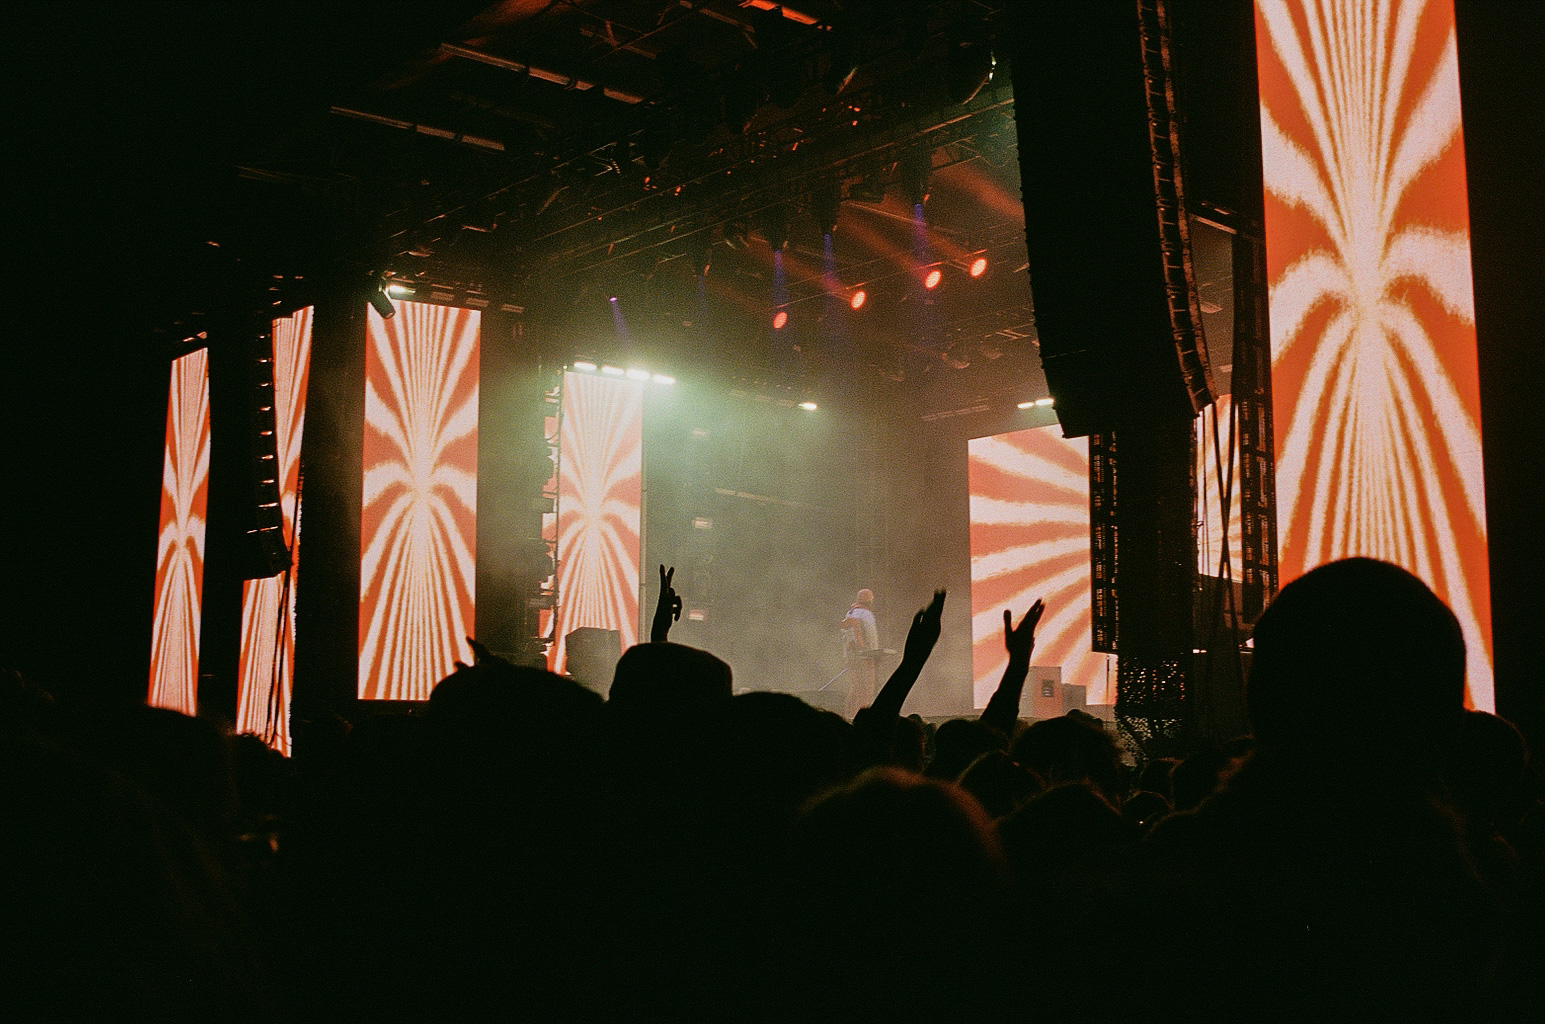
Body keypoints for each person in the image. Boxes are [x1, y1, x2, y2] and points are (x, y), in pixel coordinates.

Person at [840, 589, 880, 719]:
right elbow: (868, 638)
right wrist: (871, 654)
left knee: (855, 688)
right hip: (865, 657)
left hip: (853, 658)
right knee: (866, 690)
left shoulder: (850, 613)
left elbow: (846, 638)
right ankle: (862, 719)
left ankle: (848, 716)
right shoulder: (866, 615)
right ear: (870, 601)